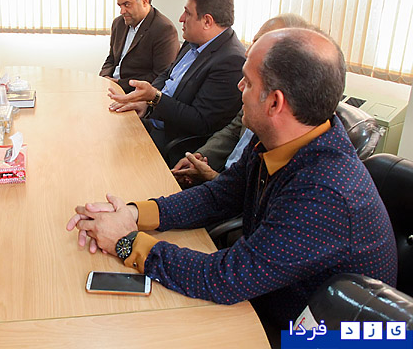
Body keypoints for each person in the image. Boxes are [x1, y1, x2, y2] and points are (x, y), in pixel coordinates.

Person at [67, 27, 397, 342]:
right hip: (271, 299)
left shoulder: (325, 193)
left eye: (248, 82)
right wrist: (133, 213)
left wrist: (126, 242)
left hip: (311, 336)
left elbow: (226, 278)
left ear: (275, 103)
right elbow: (219, 195)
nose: (239, 86)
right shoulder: (282, 140)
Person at [108, 0, 244, 160]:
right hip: (155, 120)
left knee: (115, 155)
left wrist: (154, 98)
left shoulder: (230, 61)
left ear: (207, 21)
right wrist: (146, 103)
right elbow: (167, 74)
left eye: (188, 13)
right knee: (107, 130)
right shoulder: (193, 40)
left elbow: (200, 122)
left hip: (174, 142)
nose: (181, 18)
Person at [171, 14, 310, 188]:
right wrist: (200, 158)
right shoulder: (259, 88)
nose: (247, 52)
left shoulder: (287, 126)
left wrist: (212, 178)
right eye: (254, 41)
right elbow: (233, 131)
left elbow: (249, 194)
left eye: (260, 44)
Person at [99, 0, 179, 93]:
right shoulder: (119, 23)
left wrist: (120, 84)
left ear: (144, 1)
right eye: (120, 6)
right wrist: (104, 77)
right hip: (110, 87)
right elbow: (112, 58)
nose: (122, 11)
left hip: (135, 93)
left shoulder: (164, 29)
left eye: (127, 4)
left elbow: (160, 76)